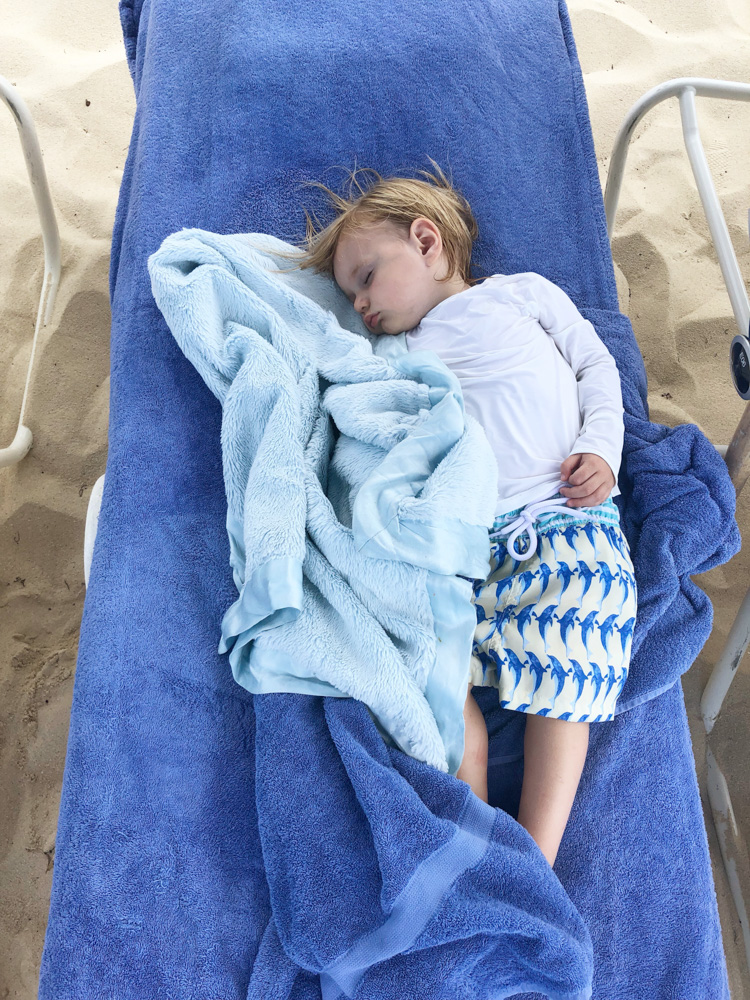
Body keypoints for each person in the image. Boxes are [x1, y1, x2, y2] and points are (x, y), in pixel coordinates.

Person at [271, 158, 638, 869]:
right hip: (465, 552)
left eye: (368, 278)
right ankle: (469, 840)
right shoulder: (396, 353)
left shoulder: (521, 296)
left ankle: (536, 856)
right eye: (351, 296)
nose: (362, 305)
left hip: (563, 517)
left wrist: (602, 449)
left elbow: (597, 367)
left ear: (427, 241)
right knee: (438, 682)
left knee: (575, 665)